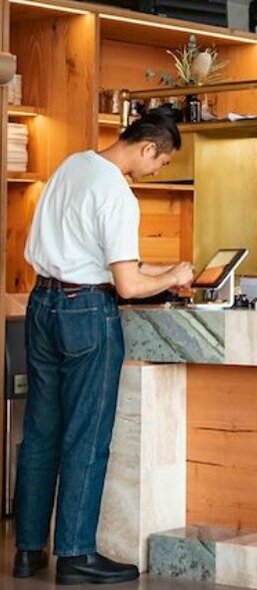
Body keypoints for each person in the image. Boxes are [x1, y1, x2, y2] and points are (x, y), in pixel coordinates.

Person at [13, 109, 194, 585]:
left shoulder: (73, 165)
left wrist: (149, 272)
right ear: (148, 148)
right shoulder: (118, 192)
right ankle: (74, 556)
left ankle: (28, 551)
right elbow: (129, 286)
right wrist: (173, 276)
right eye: (163, 162)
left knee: (40, 432)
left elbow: (92, 252)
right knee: (85, 436)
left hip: (43, 304)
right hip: (86, 314)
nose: (158, 171)